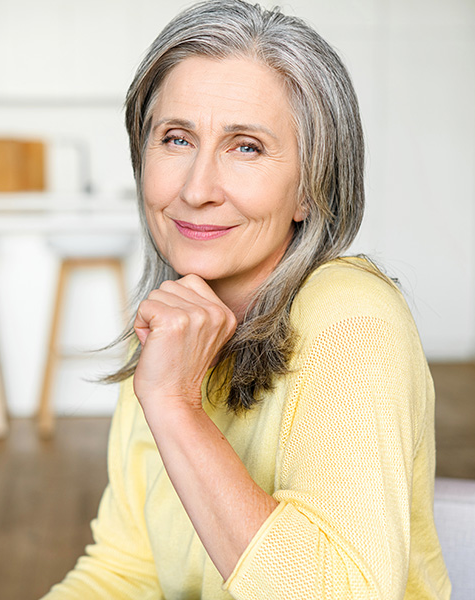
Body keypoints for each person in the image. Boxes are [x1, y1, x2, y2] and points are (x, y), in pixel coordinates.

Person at [42, 1, 451, 598]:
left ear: (309, 188)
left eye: (247, 147)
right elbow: (123, 569)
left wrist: (176, 408)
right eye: (176, 139)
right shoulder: (174, 326)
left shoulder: (353, 320)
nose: (196, 188)